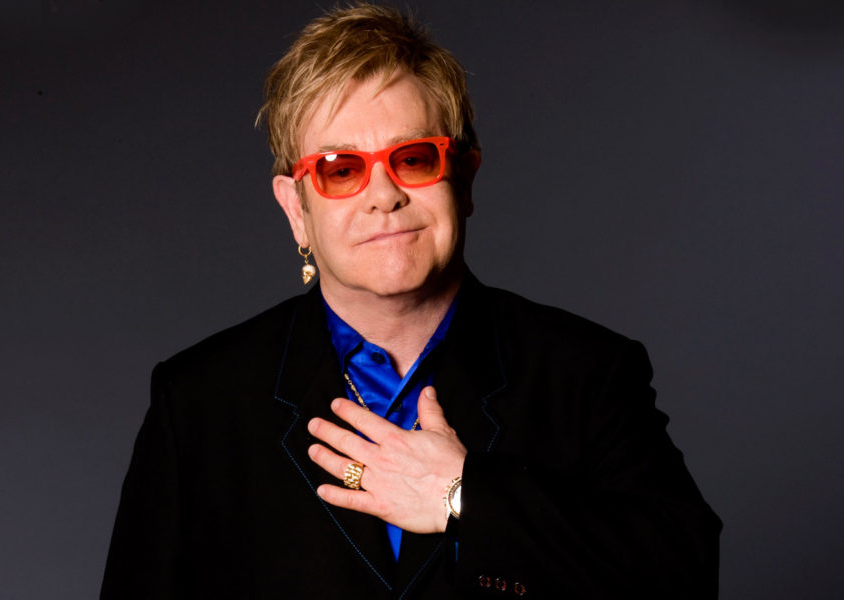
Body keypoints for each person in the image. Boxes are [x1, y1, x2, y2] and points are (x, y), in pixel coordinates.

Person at [101, 4, 721, 599]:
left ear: (465, 178)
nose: (383, 196)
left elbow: (685, 577)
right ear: (296, 209)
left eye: (414, 158)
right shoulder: (197, 401)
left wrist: (464, 495)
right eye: (341, 169)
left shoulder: (589, 373)